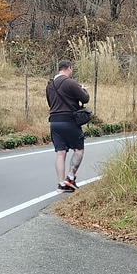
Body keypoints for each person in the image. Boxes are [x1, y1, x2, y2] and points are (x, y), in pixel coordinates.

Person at [46, 59, 90, 191]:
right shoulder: (70, 82)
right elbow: (85, 98)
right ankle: (70, 177)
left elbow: (50, 103)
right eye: (71, 69)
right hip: (69, 121)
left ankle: (61, 183)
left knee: (60, 153)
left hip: (54, 122)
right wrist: (83, 90)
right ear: (69, 68)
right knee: (79, 150)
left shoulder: (50, 85)